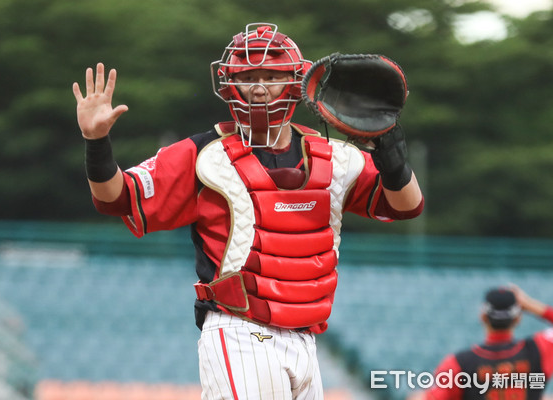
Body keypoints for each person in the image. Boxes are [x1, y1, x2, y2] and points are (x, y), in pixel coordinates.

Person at [72, 22, 424, 399]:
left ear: (293, 82)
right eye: (248, 77)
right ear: (228, 84)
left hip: (305, 338)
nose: (258, 87)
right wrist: (97, 142)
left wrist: (391, 153)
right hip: (238, 330)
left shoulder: (334, 156)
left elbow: (405, 206)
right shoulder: (203, 154)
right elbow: (116, 198)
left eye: (271, 76)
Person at [424, 286, 553, 400]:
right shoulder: (538, 350)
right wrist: (530, 305)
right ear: (518, 319)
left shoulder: (458, 363)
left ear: (483, 317)